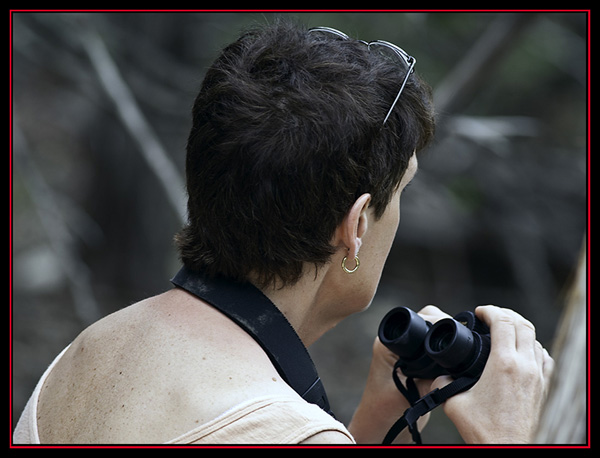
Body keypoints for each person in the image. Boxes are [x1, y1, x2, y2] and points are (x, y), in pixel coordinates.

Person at [13, 20, 553, 445]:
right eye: (403, 191)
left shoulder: (89, 351)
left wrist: (373, 420)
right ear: (357, 225)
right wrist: (510, 435)